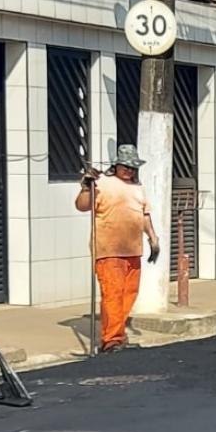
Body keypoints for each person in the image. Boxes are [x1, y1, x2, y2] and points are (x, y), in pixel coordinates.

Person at [75, 144, 160, 353]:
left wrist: (153, 238)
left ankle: (118, 335)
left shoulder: (137, 187)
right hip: (109, 250)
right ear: (116, 165)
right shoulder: (102, 182)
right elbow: (82, 205)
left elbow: (144, 214)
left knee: (129, 293)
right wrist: (86, 186)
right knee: (113, 294)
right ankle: (111, 340)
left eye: (132, 167)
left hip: (132, 249)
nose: (129, 170)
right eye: (125, 166)